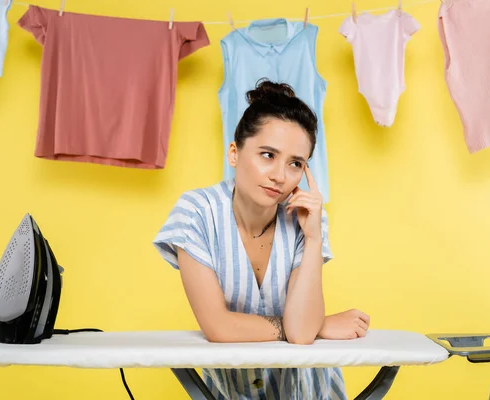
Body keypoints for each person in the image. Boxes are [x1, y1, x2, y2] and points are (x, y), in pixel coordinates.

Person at [153, 79, 370, 399]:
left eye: (295, 163)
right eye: (268, 155)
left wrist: (312, 239)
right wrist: (316, 326)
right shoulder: (196, 212)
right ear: (234, 153)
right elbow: (219, 327)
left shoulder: (307, 219)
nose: (280, 175)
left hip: (309, 390)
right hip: (232, 390)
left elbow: (301, 335)